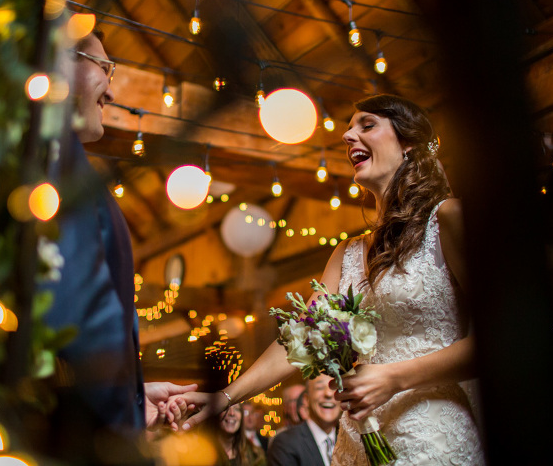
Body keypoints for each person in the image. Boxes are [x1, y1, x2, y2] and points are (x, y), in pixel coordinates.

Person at [174, 94, 484, 465]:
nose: (347, 136)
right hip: (356, 441)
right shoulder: (347, 253)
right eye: (349, 128)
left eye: (367, 125)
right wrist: (223, 397)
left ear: (409, 144)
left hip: (433, 436)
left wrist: (395, 378)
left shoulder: (448, 220)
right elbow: (299, 341)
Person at [39, 30, 193, 460]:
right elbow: (76, 309)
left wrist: (135, 396)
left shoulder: (65, 160)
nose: (111, 89)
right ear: (59, 61)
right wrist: (121, 418)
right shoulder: (55, 163)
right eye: (104, 68)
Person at [267, 375, 341, 466]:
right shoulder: (285, 443)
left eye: (334, 388)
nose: (328, 394)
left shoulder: (349, 441)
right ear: (306, 400)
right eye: (320, 388)